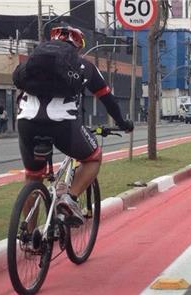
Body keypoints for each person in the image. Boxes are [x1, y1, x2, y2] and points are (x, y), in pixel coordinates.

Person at [15, 26, 133, 226]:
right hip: (62, 125)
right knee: (93, 158)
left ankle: (29, 234)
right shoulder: (84, 66)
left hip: (27, 122)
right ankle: (69, 198)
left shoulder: (31, 64)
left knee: (34, 177)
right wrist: (124, 124)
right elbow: (108, 100)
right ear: (78, 46)